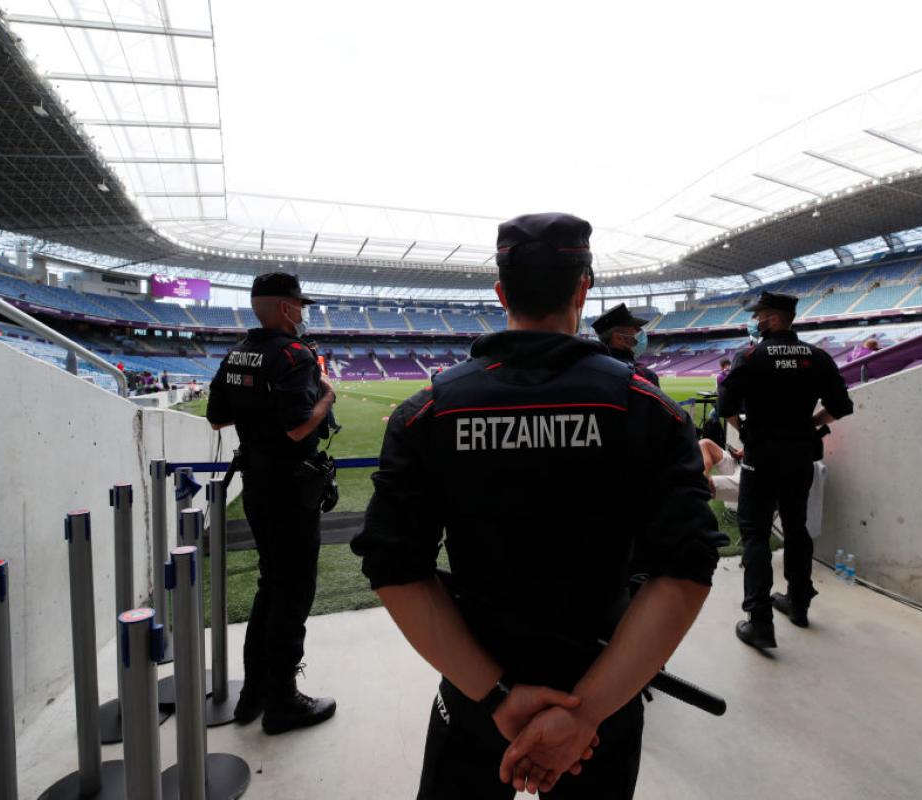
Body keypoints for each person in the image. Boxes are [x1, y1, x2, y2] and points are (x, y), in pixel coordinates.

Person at [352, 212, 719, 799]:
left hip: (475, 691)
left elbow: (395, 570)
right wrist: (585, 713)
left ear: (501, 294)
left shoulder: (430, 412)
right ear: (582, 289)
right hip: (602, 695)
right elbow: (686, 569)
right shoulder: (646, 409)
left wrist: (498, 696)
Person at [206, 272, 338, 735]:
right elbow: (298, 427)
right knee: (293, 592)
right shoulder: (293, 354)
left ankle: (254, 694)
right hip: (290, 489)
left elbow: (217, 417)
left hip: (256, 485)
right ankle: (283, 701)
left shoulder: (237, 352)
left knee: (270, 585)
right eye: (299, 305)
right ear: (286, 307)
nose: (302, 314)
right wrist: (327, 397)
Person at [718, 291, 853, 648]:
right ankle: (799, 603)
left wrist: (743, 430)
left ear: (774, 318)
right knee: (796, 528)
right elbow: (841, 405)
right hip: (799, 456)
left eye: (760, 315)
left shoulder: (750, 356)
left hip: (761, 457)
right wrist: (811, 424)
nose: (756, 321)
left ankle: (760, 621)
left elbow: (725, 406)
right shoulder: (817, 357)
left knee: (755, 533)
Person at [591, 303, 660, 386]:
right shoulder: (644, 375)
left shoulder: (591, 370)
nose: (640, 332)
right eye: (635, 329)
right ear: (618, 338)